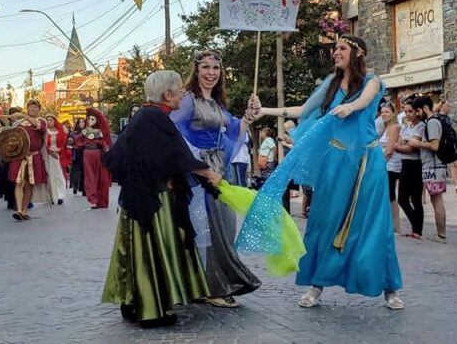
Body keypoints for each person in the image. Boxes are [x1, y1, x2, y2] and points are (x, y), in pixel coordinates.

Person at [245, 35, 403, 310]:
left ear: (359, 52)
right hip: (336, 161)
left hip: (368, 160)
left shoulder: (372, 80)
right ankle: (316, 285)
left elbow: (365, 101)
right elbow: (305, 111)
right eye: (335, 49)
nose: (335, 53)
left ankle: (389, 288)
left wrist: (349, 107)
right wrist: (265, 111)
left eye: (342, 48)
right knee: (324, 220)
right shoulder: (331, 84)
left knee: (374, 224)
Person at [103, 70, 222, 327]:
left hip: (139, 198)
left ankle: (134, 303)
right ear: (167, 94)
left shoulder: (146, 116)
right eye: (179, 90)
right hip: (153, 200)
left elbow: (123, 156)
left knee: (138, 253)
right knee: (152, 253)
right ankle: (151, 311)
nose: (183, 94)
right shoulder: (153, 118)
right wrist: (206, 171)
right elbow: (172, 156)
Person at [171, 51, 260, 308]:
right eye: (206, 67)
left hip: (221, 170)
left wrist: (248, 116)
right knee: (207, 229)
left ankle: (209, 283)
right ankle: (210, 287)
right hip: (198, 173)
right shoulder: (188, 100)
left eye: (216, 68)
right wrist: (195, 158)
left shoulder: (217, 104)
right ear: (196, 71)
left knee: (224, 226)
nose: (211, 72)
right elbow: (171, 128)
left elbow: (235, 132)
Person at [407, 95, 447, 242]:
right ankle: (440, 233)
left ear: (424, 108)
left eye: (417, 110)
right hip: (432, 167)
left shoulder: (432, 123)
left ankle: (441, 234)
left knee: (437, 200)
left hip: (434, 166)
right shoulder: (432, 121)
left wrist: (417, 143)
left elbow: (434, 145)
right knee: (435, 199)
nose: (417, 114)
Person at [8, 100, 48, 221]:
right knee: (19, 183)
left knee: (29, 186)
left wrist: (21, 115)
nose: (33, 109)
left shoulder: (41, 121)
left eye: (35, 107)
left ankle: (24, 210)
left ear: (39, 109)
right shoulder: (19, 123)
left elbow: (37, 126)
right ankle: (19, 210)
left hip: (34, 157)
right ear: (28, 108)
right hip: (20, 157)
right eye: (31, 107)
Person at [394, 97, 425, 238]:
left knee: (415, 198)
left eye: (410, 111)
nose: (407, 114)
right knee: (402, 198)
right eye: (405, 112)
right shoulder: (407, 126)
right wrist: (403, 144)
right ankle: (416, 225)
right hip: (405, 163)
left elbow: (413, 147)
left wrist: (400, 147)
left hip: (415, 164)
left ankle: (417, 230)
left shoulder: (421, 126)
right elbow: (401, 142)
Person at [82, 108, 113, 209]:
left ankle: (102, 200)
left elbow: (106, 143)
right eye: (89, 119)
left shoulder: (102, 132)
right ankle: (93, 200)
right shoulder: (84, 131)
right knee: (90, 177)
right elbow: (76, 141)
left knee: (102, 177)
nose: (90, 121)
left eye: (93, 119)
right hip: (87, 155)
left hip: (99, 155)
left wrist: (106, 149)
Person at [379, 103, 402, 233]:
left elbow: (389, 150)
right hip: (386, 164)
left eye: (387, 112)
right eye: (382, 112)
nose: (384, 114)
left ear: (393, 113)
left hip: (391, 165)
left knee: (390, 194)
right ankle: (391, 224)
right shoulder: (385, 128)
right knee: (388, 194)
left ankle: (395, 225)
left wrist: (377, 163)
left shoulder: (394, 127)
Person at [45, 114, 68, 206]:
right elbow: (43, 144)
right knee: (50, 176)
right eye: (47, 120)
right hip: (48, 156)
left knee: (59, 175)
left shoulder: (61, 131)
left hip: (59, 156)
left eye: (51, 119)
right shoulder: (45, 132)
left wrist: (60, 149)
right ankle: (51, 196)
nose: (49, 121)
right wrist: (49, 151)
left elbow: (65, 144)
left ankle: (60, 195)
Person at [68, 119, 87, 195]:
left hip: (85, 151)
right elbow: (69, 143)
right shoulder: (73, 133)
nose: (82, 123)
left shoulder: (87, 132)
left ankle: (83, 189)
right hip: (76, 152)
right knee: (76, 170)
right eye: (80, 122)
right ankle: (75, 185)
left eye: (83, 122)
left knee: (84, 170)